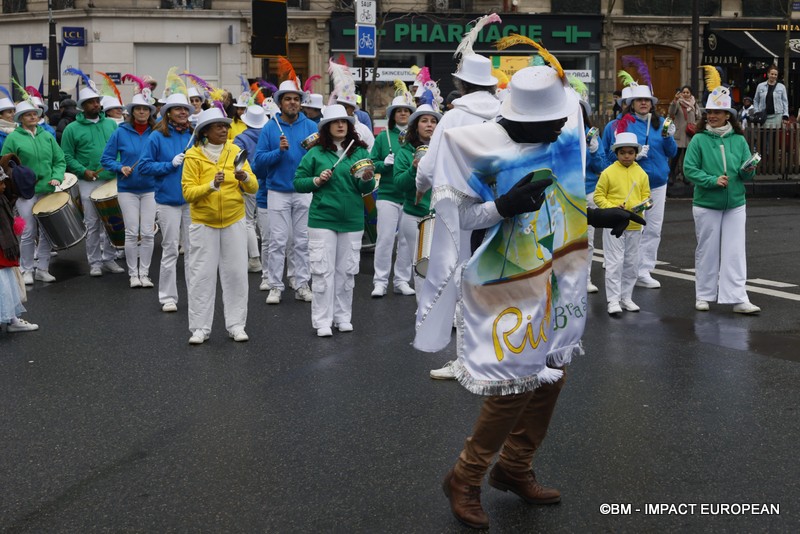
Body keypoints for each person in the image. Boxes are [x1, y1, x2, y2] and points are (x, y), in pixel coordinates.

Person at [412, 64, 644, 529]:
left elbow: (567, 198)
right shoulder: (472, 145)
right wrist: (502, 206)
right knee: (514, 380)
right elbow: (456, 221)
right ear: (525, 118)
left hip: (561, 273)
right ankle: (465, 476)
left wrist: (600, 216)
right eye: (555, 120)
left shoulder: (561, 136)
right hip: (507, 280)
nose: (563, 125)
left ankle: (515, 467)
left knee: (553, 372)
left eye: (564, 118)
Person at [414, 52, 501, 380]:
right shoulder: (504, 114)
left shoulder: (452, 118)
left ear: (461, 83)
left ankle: (467, 362)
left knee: (463, 280)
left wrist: (420, 187)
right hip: (502, 206)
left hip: (461, 211)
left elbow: (429, 166)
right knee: (495, 278)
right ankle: (497, 354)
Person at [293, 104, 375, 337]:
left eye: (345, 122)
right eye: (336, 122)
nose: (341, 125)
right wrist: (316, 181)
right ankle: (322, 321)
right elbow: (298, 182)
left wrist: (367, 179)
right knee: (322, 272)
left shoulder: (359, 152)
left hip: (352, 220)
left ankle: (342, 317)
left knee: (347, 272)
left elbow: (365, 188)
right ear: (326, 127)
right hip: (322, 219)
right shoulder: (315, 153)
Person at [181, 107, 258, 344]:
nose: (225, 129)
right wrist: (211, 186)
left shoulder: (236, 151)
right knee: (201, 276)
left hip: (234, 220)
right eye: (219, 126)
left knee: (236, 274)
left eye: (225, 126)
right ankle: (200, 329)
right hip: (203, 223)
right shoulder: (193, 157)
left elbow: (253, 187)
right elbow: (187, 193)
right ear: (205, 131)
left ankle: (236, 325)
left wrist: (244, 178)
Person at [683, 85, 761, 314]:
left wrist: (749, 170)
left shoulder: (738, 140)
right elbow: (689, 169)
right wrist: (711, 180)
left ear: (728, 115)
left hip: (736, 203)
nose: (713, 116)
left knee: (735, 251)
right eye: (709, 112)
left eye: (718, 112)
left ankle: (737, 298)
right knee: (707, 249)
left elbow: (748, 172)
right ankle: (704, 295)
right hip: (707, 203)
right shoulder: (698, 140)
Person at [602, 83, 677, 289]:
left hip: (657, 184)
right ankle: (626, 268)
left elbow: (671, 152)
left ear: (652, 104)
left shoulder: (660, 123)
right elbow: (609, 155)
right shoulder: (623, 124)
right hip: (631, 185)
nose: (643, 103)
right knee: (629, 228)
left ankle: (644, 270)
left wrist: (668, 136)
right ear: (632, 103)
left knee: (653, 229)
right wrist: (636, 157)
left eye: (647, 100)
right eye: (639, 100)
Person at [254, 78, 317, 305]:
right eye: (288, 99)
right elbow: (258, 164)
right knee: (277, 241)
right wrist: (278, 152)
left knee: (302, 241)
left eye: (296, 99)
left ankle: (301, 284)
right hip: (278, 192)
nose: (292, 103)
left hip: (304, 190)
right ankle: (275, 286)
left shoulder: (312, 127)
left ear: (301, 103)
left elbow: (320, 157)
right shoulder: (270, 128)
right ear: (280, 103)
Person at [138, 92, 194, 313]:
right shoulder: (157, 136)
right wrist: (168, 165)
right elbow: (143, 167)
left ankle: (196, 294)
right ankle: (168, 297)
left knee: (193, 251)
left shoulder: (194, 134)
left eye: (185, 109)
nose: (183, 112)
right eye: (178, 109)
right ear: (168, 113)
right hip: (168, 201)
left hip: (192, 200)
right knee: (170, 249)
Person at [61, 85, 124, 277]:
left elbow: (120, 150)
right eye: (91, 102)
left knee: (112, 222)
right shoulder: (72, 129)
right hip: (88, 181)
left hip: (111, 179)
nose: (96, 104)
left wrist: (117, 166)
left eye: (97, 101)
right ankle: (95, 262)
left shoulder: (111, 125)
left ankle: (110, 258)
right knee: (92, 223)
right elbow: (66, 155)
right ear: (83, 106)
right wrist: (83, 170)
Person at [0, 100, 66, 284]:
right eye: (28, 114)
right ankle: (26, 269)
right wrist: (16, 181)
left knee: (47, 231)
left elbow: (59, 160)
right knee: (29, 231)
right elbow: (5, 163)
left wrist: (57, 177)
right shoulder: (13, 138)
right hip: (25, 193)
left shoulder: (47, 136)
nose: (33, 116)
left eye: (35, 114)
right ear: (21, 118)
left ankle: (43, 269)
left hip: (47, 189)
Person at [100, 91, 157, 289]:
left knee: (148, 233)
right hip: (127, 189)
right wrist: (119, 167)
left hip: (151, 188)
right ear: (132, 112)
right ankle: (134, 275)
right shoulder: (120, 132)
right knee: (132, 232)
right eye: (138, 109)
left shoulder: (157, 132)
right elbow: (105, 159)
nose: (142, 112)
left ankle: (145, 273)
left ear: (150, 112)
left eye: (145, 109)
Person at [594, 131, 650, 315]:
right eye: (622, 152)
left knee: (632, 263)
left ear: (636, 153)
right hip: (613, 224)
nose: (627, 156)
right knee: (614, 262)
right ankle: (613, 300)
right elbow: (598, 196)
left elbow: (647, 198)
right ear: (616, 153)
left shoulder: (641, 174)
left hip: (634, 224)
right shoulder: (608, 173)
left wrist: (641, 207)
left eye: (630, 152)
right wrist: (613, 208)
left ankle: (626, 297)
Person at [369, 88, 416, 298]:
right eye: (399, 111)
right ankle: (380, 281)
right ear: (393, 114)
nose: (403, 114)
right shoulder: (383, 137)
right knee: (385, 238)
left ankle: (401, 280)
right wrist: (384, 164)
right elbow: (371, 165)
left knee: (406, 240)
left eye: (407, 111)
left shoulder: (417, 139)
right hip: (388, 194)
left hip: (410, 197)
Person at [394, 100, 440, 299]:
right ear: (416, 126)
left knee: (443, 266)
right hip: (416, 217)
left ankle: (442, 311)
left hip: (443, 216)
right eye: (424, 121)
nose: (430, 125)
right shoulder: (405, 152)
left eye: (433, 121)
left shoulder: (444, 149)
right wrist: (414, 169)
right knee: (423, 266)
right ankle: (424, 313)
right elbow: (399, 185)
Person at [0, 163, 38, 333]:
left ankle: (12, 319)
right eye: (1, 183)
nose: (3, 186)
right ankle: (10, 319)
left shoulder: (2, 199)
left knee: (8, 284)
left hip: (4, 250)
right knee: (3, 285)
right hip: (2, 248)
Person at [233, 104, 268, 276]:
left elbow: (236, 162)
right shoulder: (270, 135)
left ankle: (254, 259)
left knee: (248, 221)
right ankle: (269, 257)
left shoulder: (240, 139)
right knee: (263, 220)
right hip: (266, 181)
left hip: (247, 182)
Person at [580, 99, 606, 294]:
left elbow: (601, 168)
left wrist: (594, 150)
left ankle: (585, 278)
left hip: (588, 191)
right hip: (564, 193)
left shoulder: (592, 135)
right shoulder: (559, 133)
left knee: (588, 240)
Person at [668, 85, 701, 183]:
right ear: (681, 93)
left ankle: (686, 176)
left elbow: (698, 116)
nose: (686, 94)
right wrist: (674, 101)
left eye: (688, 92)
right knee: (675, 157)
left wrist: (695, 125)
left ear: (691, 94)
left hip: (689, 135)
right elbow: (671, 113)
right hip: (679, 134)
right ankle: (672, 175)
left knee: (687, 158)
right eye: (684, 92)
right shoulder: (678, 103)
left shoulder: (694, 104)